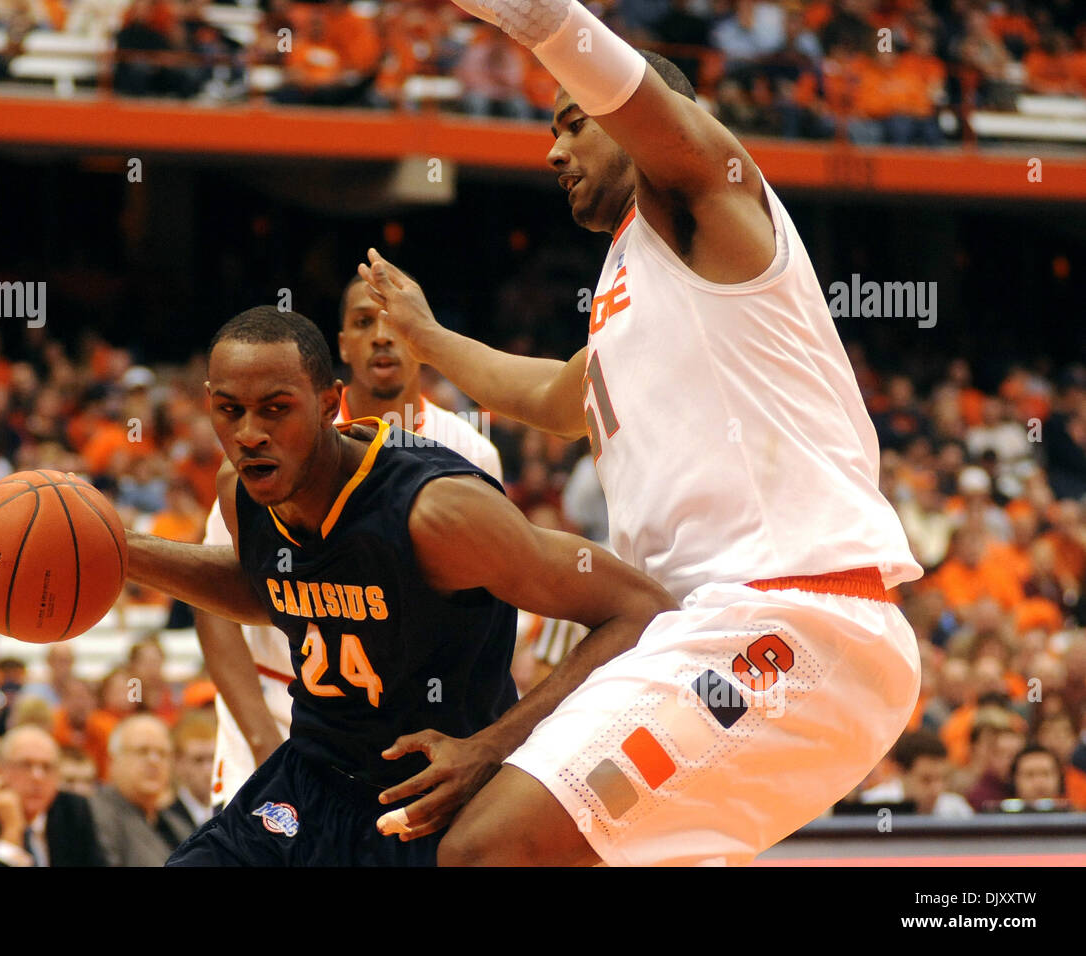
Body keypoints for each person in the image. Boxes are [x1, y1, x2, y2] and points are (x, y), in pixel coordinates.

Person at [359, 0, 923, 865]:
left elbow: (653, 111)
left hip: (798, 616)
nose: (553, 151)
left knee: (489, 850)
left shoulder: (717, 210)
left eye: (574, 123)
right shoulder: (631, 284)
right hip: (707, 627)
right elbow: (554, 394)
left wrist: (539, 19)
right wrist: (430, 340)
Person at [128, 307, 671, 865]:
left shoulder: (436, 512)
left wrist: (492, 747)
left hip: (434, 797)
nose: (248, 434)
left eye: (275, 409)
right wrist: (124, 552)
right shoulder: (239, 491)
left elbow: (638, 608)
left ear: (329, 404)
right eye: (229, 411)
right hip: (314, 777)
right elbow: (263, 589)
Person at [196, 271, 504, 810]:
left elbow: (490, 613)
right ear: (341, 346)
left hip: (394, 717)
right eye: (363, 322)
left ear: (424, 338)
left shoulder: (467, 450)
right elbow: (218, 605)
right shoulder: (267, 446)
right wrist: (266, 744)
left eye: (393, 322)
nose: (381, 336)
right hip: (275, 692)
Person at [0, 725, 105, 867]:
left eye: (47, 767)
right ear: (0, 770)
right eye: (25, 765)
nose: (37, 777)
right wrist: (11, 833)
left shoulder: (73, 810)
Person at [89, 714, 194, 866]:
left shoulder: (179, 825)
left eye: (162, 754)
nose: (154, 761)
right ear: (112, 761)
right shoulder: (94, 816)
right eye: (142, 751)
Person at [859, 731, 973, 817]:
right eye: (926, 780)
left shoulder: (957, 810)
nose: (936, 789)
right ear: (901, 772)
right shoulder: (873, 806)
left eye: (941, 779)